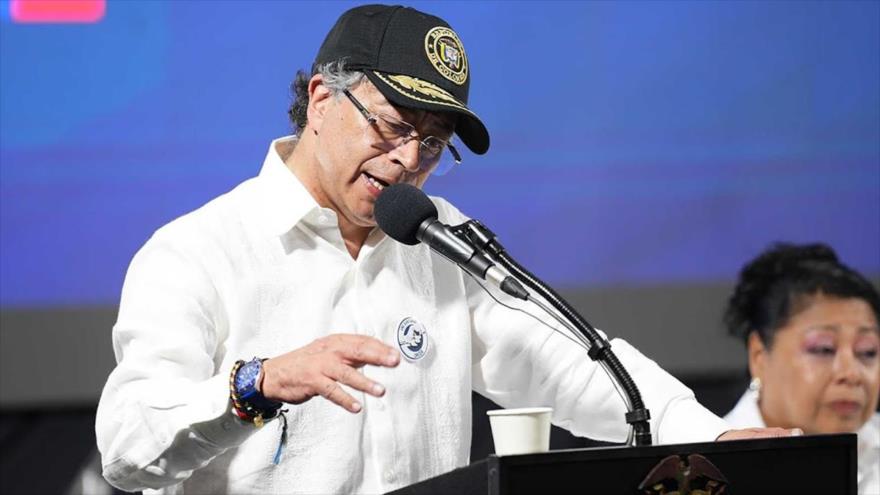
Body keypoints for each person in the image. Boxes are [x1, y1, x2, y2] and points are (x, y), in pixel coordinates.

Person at [95, 5, 798, 494]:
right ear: (320, 98)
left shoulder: (441, 239)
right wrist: (257, 383)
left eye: (433, 145)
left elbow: (571, 364)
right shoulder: (197, 251)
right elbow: (128, 447)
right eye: (394, 125)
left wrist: (707, 438)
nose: (407, 160)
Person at [723, 243, 880, 494]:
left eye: (867, 351)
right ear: (759, 355)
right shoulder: (706, 465)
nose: (851, 374)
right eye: (824, 349)